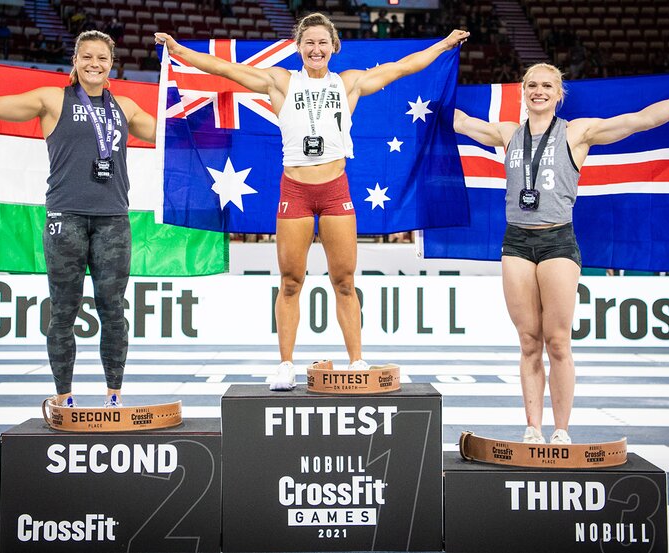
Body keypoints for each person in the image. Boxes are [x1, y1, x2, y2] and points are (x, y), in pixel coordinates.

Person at [156, 14, 469, 391]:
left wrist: (443, 44)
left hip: (336, 191)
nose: (316, 49)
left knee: (345, 281)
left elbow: (402, 68)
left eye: (323, 42)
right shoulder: (280, 81)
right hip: (296, 193)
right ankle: (286, 365)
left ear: (333, 46)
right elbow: (224, 69)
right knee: (290, 282)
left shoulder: (349, 83)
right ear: (298, 47)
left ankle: (357, 360)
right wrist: (178, 50)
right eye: (309, 43)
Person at [453, 63, 669, 444]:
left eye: (546, 86)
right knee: (528, 340)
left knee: (557, 341)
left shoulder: (577, 132)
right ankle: (533, 427)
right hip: (516, 243)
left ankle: (560, 430)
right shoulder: (507, 133)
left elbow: (641, 120)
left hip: (558, 241)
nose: (538, 91)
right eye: (531, 85)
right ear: (523, 91)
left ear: (559, 94)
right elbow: (457, 120)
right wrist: (421, 81)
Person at [0, 30, 156, 408]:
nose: (95, 64)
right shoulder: (51, 99)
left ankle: (114, 397)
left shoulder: (124, 107)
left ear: (113, 65)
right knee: (64, 309)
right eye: (87, 57)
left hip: (113, 220)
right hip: (66, 218)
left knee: (113, 311)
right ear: (75, 61)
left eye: (102, 59)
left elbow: (169, 134)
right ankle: (64, 398)